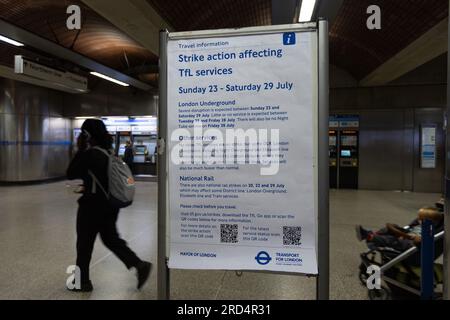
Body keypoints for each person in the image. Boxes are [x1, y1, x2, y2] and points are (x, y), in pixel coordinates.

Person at [67, 119, 151, 292]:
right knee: (111, 239)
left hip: (91, 207)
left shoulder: (90, 154)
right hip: (110, 206)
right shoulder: (109, 152)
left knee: (84, 244)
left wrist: (81, 149)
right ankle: (139, 265)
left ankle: (82, 282)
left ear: (87, 135)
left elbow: (70, 173)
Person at [356, 207, 444, 252]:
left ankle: (371, 237)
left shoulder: (429, 231)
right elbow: (411, 227)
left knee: (392, 240)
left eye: (421, 219)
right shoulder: (418, 224)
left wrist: (406, 236)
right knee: (390, 227)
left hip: (410, 244)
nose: (418, 220)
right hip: (407, 234)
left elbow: (418, 241)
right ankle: (371, 234)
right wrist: (402, 233)